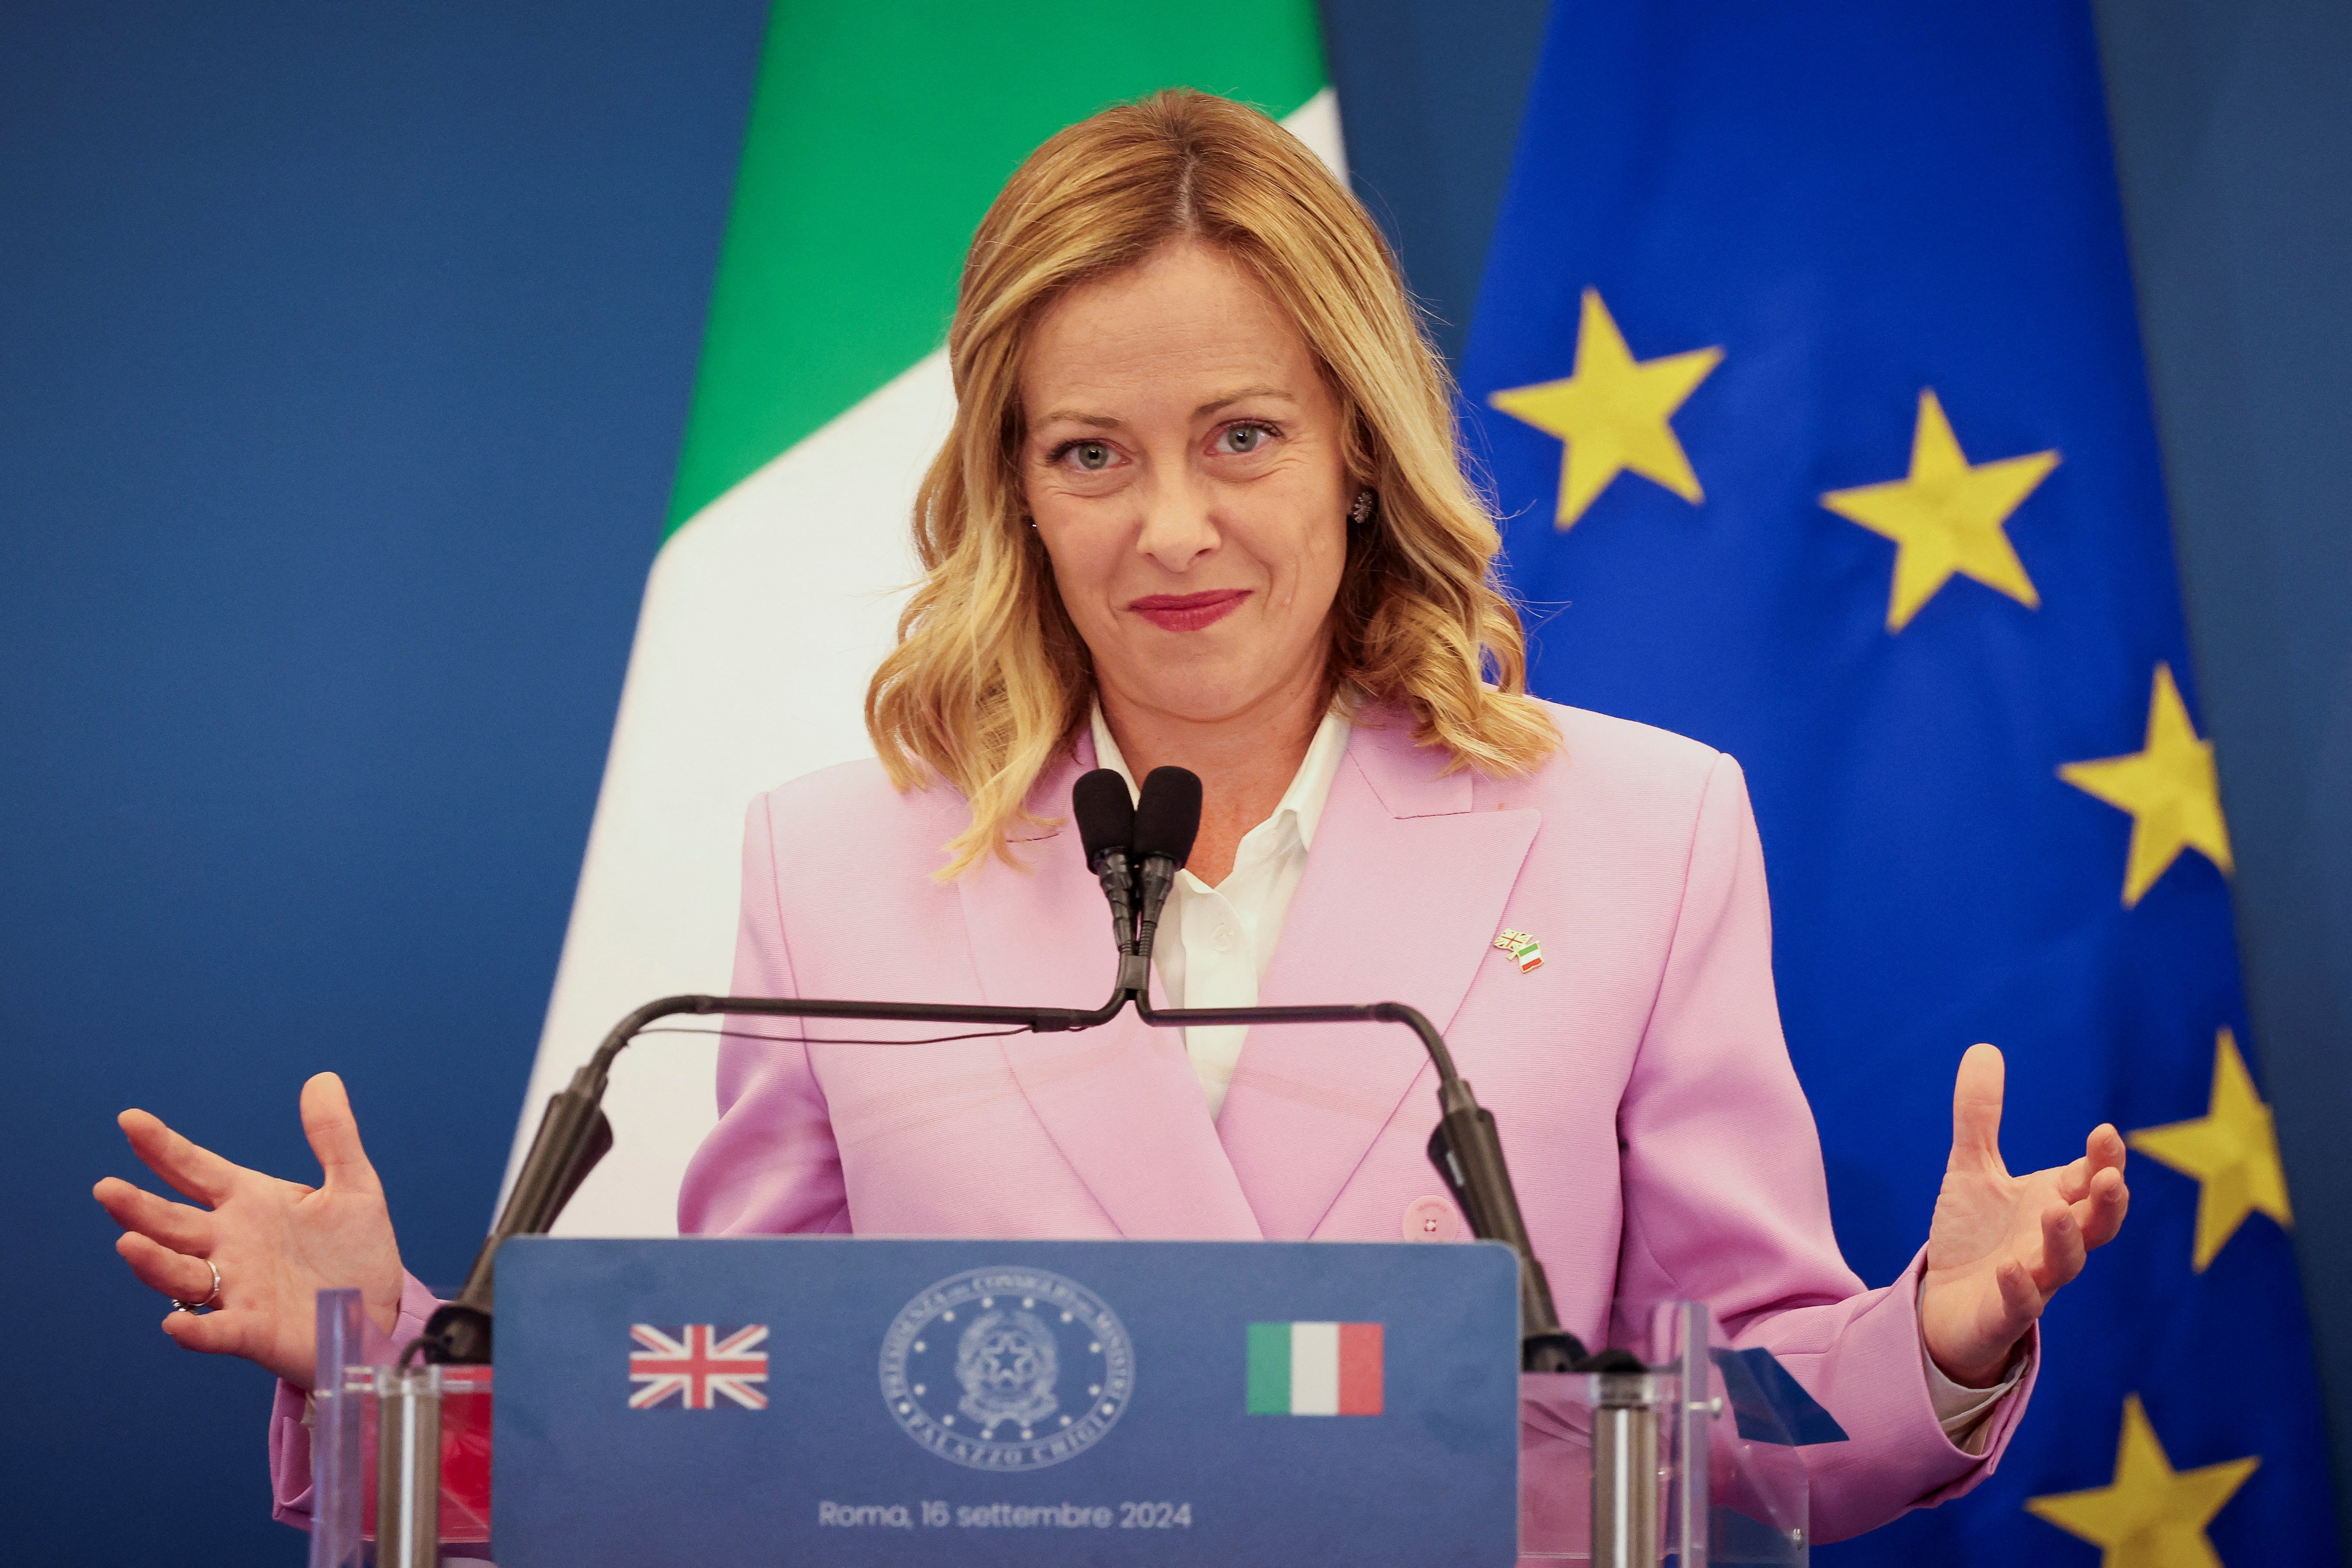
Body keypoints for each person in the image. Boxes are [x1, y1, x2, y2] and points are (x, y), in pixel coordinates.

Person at [95, 89, 2130, 1547]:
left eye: (1242, 435)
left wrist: (1932, 1335)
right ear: (1014, 486)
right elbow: (740, 1435)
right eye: (1092, 452)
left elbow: (1739, 1432)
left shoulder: (1638, 830)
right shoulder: (841, 859)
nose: (1174, 526)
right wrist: (383, 1360)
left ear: (1356, 448)